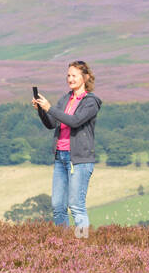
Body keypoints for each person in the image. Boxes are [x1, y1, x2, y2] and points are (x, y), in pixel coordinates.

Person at [33, 60, 101, 231]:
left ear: (85, 78)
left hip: (78, 160)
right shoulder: (65, 99)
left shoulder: (91, 102)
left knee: (76, 206)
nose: (70, 79)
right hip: (60, 157)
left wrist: (50, 108)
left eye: (74, 75)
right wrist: (42, 110)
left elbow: (75, 121)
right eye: (68, 75)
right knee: (57, 206)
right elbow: (51, 124)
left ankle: (82, 245)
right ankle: (63, 247)